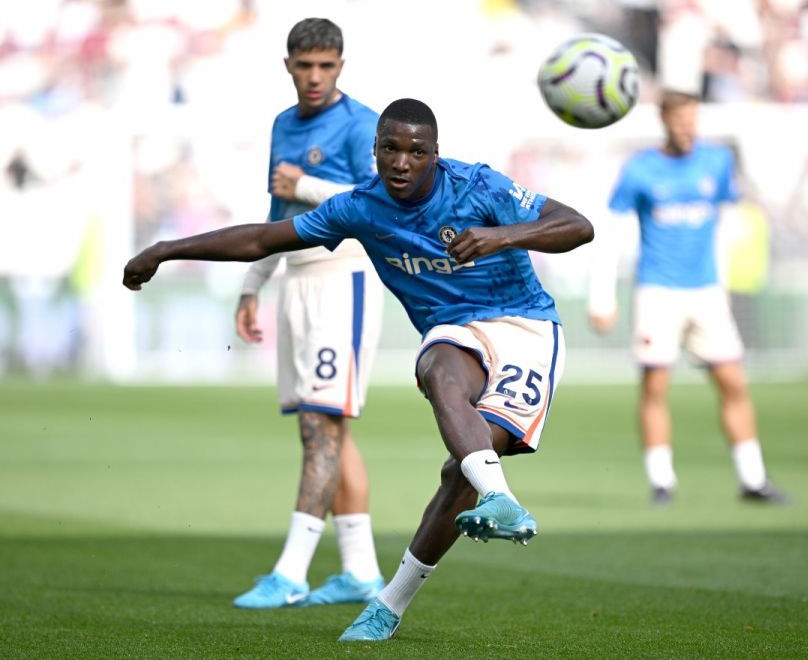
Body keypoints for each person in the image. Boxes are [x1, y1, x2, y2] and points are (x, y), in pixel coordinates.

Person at [124, 98, 594, 641]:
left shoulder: (478, 187)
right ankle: (499, 501)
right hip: (453, 328)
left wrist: (504, 235)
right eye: (390, 149)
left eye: (416, 152)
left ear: (435, 156)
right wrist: (164, 248)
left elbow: (576, 225)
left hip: (526, 327)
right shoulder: (360, 207)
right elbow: (260, 239)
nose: (401, 162)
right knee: (439, 370)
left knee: (458, 473)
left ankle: (390, 602)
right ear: (374, 151)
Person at [231, 18, 386, 610]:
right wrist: (253, 281)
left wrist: (307, 182)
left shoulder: (359, 124)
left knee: (319, 428)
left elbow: (375, 203)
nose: (315, 76)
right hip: (295, 281)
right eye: (305, 66)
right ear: (289, 65)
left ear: (341, 66)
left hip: (342, 278)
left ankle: (292, 572)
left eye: (326, 66)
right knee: (329, 429)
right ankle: (360, 572)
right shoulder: (282, 124)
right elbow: (278, 207)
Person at [588, 89, 786, 506]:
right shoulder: (641, 169)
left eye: (693, 120)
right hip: (657, 291)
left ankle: (753, 478)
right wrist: (602, 294)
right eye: (680, 121)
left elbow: (726, 220)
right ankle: (662, 481)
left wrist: (724, 283)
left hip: (706, 291)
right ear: (664, 121)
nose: (687, 129)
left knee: (732, 380)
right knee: (656, 384)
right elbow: (612, 229)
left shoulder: (716, 162)